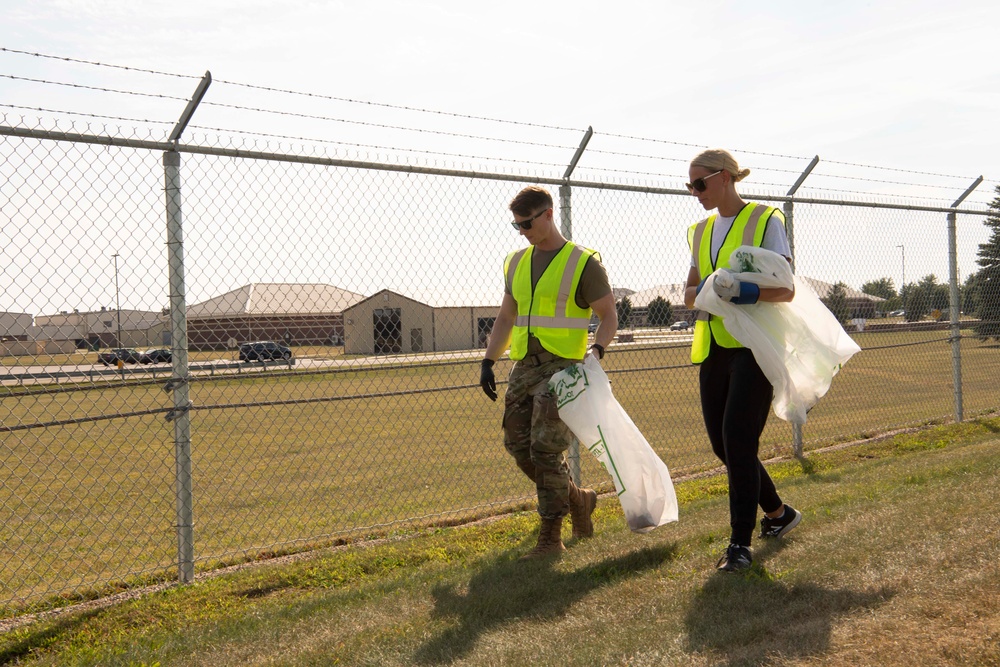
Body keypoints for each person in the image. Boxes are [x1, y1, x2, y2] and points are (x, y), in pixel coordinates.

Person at [479, 186, 618, 559]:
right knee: (518, 446)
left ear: (548, 214)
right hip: (524, 367)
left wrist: (597, 351)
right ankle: (579, 498)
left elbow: (608, 315)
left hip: (563, 369)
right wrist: (489, 361)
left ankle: (550, 537)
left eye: (527, 223)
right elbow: (507, 316)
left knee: (545, 450)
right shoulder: (516, 262)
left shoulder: (582, 262)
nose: (522, 230)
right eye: (516, 225)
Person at [682, 149, 803, 572]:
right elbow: (689, 294)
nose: (694, 192)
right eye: (689, 185)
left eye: (700, 183)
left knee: (737, 437)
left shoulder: (767, 220)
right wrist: (714, 289)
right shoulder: (699, 232)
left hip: (756, 346)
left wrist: (742, 292)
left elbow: (786, 289)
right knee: (723, 445)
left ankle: (739, 544)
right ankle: (778, 514)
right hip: (715, 344)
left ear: (727, 178)